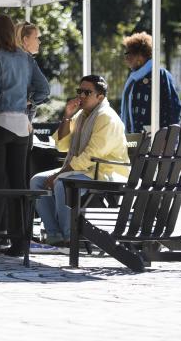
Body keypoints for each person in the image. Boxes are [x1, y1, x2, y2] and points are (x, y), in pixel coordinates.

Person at [0, 14, 50, 257]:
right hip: (21, 126)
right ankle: (21, 241)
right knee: (18, 184)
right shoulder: (25, 58)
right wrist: (27, 104)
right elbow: (44, 89)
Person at [30, 75, 129, 246]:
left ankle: (70, 237)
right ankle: (55, 235)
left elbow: (90, 155)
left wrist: (60, 174)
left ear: (100, 97)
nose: (81, 96)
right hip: (85, 170)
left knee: (62, 182)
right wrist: (67, 116)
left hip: (104, 172)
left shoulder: (106, 117)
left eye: (87, 92)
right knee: (37, 181)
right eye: (79, 91)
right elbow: (62, 145)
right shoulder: (82, 115)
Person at [121, 32, 181, 133]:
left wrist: (166, 137)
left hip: (155, 140)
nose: (126, 58)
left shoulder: (159, 74)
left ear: (140, 55)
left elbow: (173, 107)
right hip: (134, 138)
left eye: (128, 54)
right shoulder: (133, 78)